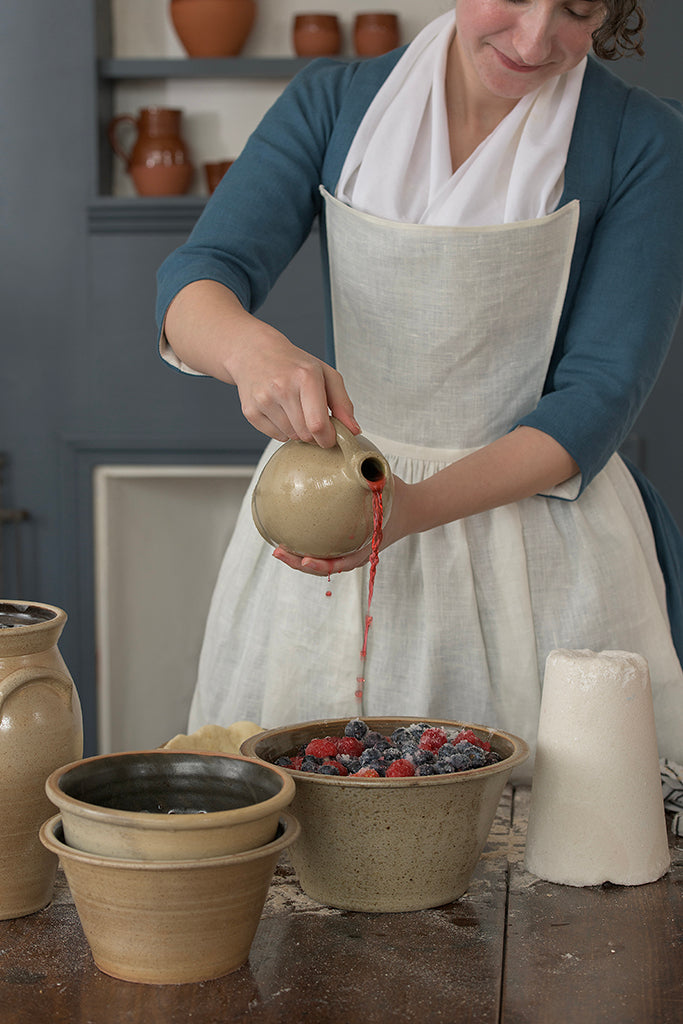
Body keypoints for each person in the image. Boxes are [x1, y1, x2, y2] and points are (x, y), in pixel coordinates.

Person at [156, 0, 683, 773]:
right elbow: (199, 278)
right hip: (337, 521)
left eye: (576, 10)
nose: (534, 40)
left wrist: (412, 508)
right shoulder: (332, 101)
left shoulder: (643, 138)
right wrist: (250, 350)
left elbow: (597, 395)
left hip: (542, 536)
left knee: (564, 841)